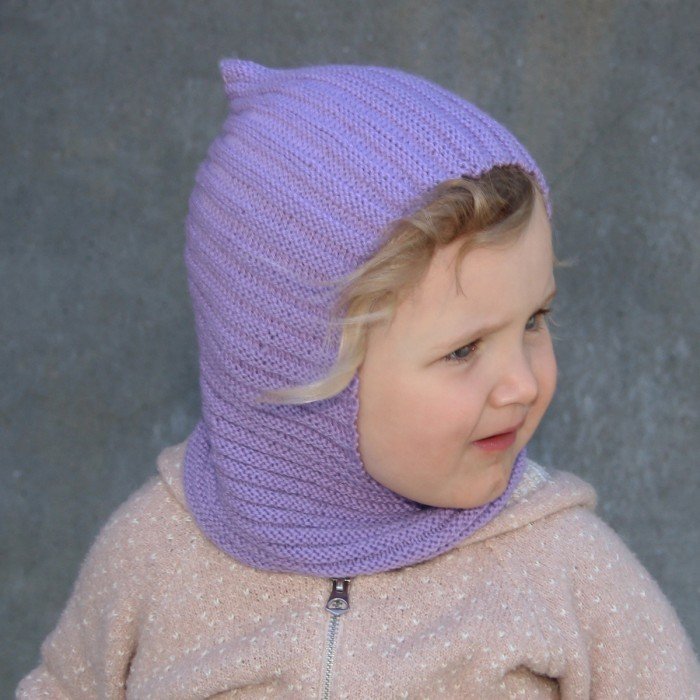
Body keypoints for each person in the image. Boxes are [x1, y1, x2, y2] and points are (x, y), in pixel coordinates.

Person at [17, 59, 700, 699]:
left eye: (534, 320)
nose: (521, 384)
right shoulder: (156, 555)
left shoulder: (564, 569)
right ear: (298, 366)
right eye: (464, 350)